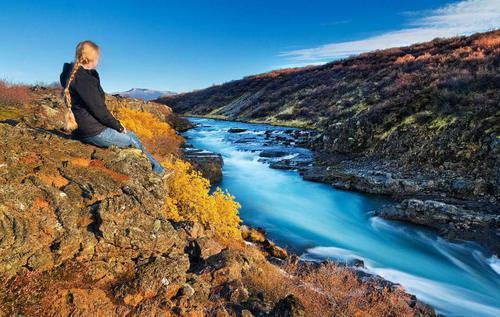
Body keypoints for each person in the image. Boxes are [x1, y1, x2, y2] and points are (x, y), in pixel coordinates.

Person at [59, 40, 165, 176]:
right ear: (92, 58)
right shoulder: (84, 79)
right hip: (92, 131)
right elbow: (99, 110)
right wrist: (118, 126)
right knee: (132, 139)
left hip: (82, 128)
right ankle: (159, 172)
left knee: (132, 134)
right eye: (98, 58)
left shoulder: (72, 74)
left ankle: (158, 169)